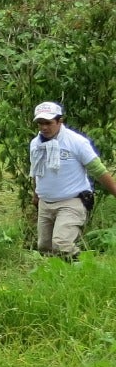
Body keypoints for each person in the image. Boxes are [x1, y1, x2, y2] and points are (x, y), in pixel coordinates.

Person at [29, 101, 116, 260]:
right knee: (44, 246)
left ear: (60, 121)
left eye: (48, 123)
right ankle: (58, 277)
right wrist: (36, 195)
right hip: (45, 202)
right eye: (40, 123)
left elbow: (98, 170)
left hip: (72, 201)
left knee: (62, 244)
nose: (44, 127)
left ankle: (82, 268)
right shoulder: (36, 144)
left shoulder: (76, 142)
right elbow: (36, 171)